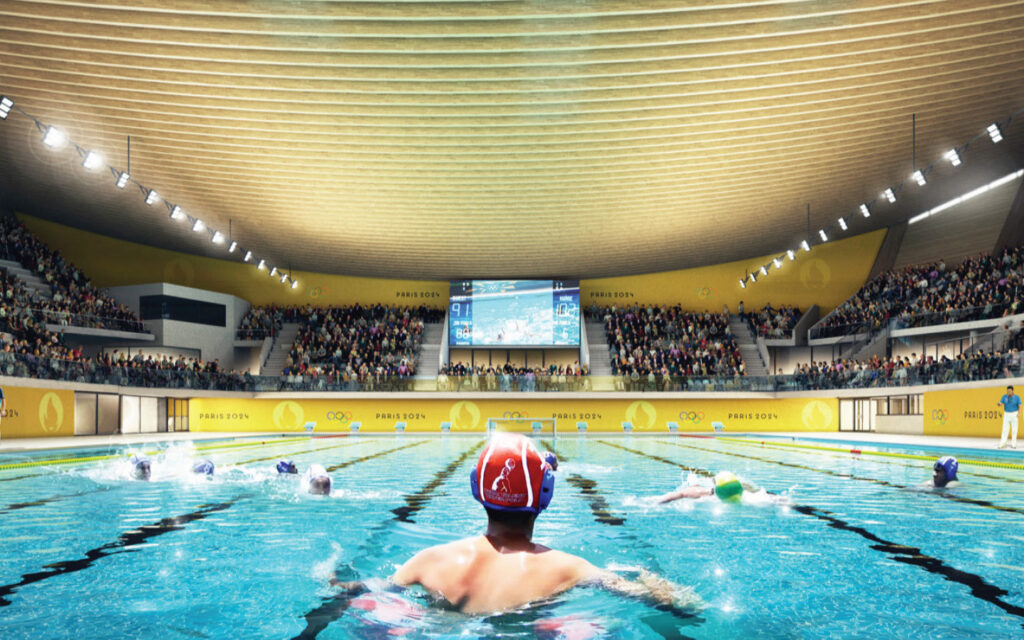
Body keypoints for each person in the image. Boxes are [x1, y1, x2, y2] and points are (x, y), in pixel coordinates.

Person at [388, 433, 696, 614]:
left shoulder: (425, 561)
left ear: (476, 489)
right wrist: (653, 581)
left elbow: (362, 591)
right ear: (545, 495)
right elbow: (683, 606)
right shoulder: (570, 569)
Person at [656, 471, 744, 503]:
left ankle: (693, 482)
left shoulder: (702, 492)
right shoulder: (743, 495)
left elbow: (680, 494)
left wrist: (658, 502)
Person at [998, 385, 1020, 449]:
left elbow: (1020, 406)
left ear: (1013, 391)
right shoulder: (1004, 397)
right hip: (1006, 414)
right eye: (1007, 391)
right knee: (1005, 430)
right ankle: (1002, 444)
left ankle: (1013, 444)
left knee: (1014, 430)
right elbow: (1001, 403)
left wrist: (1019, 413)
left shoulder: (1017, 397)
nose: (1008, 392)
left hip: (1014, 414)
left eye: (1010, 391)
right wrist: (999, 404)